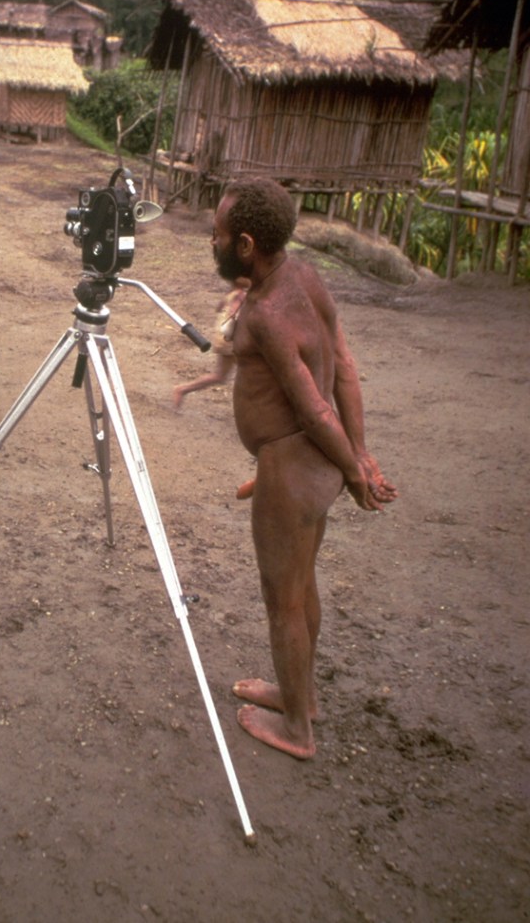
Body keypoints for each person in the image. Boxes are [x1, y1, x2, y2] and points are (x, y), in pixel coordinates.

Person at [212, 177, 397, 760]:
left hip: (293, 467)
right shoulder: (305, 277)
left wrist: (356, 471)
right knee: (302, 585)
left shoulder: (266, 312)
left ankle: (297, 729)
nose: (209, 240)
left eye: (217, 233)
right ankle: (302, 697)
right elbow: (343, 364)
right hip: (307, 468)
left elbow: (315, 410)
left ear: (245, 245)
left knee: (282, 600)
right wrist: (358, 454)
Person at [172, 278, 250, 411]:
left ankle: (182, 389)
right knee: (250, 373)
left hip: (222, 339)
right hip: (229, 341)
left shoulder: (232, 293)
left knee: (220, 376)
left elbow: (219, 308)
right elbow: (233, 314)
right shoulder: (241, 295)